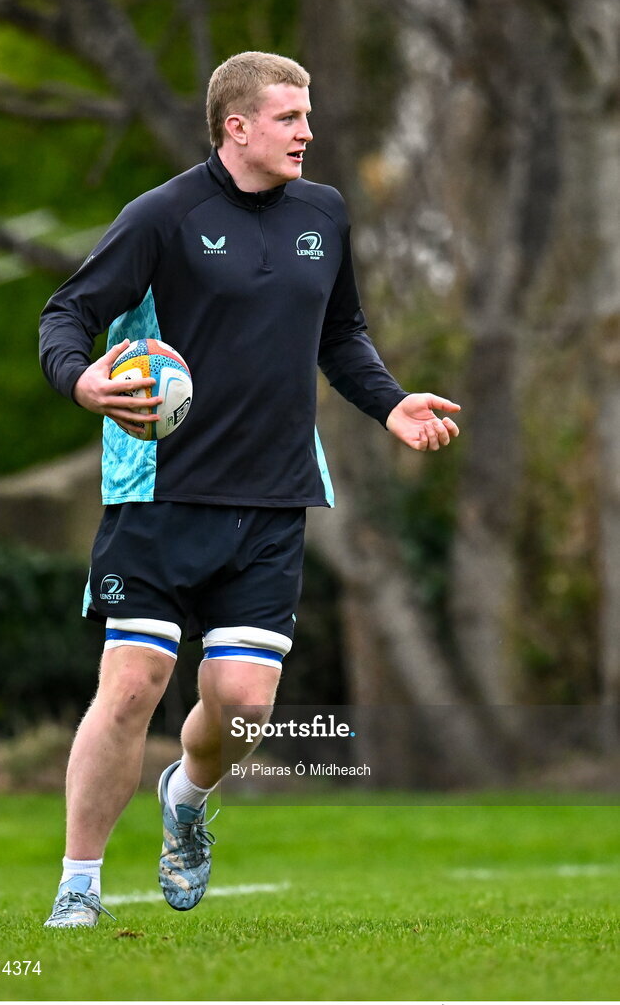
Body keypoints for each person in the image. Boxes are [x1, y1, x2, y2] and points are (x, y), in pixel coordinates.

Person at [39, 51, 460, 929]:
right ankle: (78, 885)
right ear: (236, 126)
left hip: (272, 499)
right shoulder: (164, 215)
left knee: (242, 706)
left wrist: (391, 408)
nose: (308, 131)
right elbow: (67, 313)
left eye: (308, 115)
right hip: (158, 494)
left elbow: (341, 334)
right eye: (288, 117)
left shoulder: (325, 214)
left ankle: (186, 800)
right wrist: (81, 380)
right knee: (133, 682)